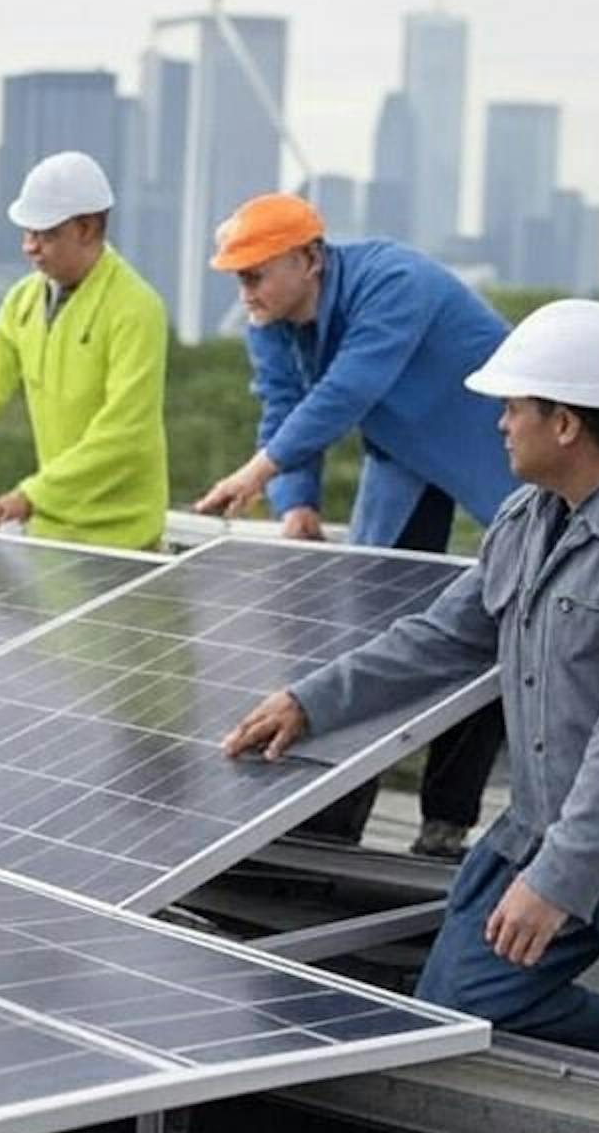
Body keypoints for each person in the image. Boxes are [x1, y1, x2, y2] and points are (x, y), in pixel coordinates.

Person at [223, 300, 599, 1070]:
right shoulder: (526, 519)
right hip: (537, 831)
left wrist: (560, 882)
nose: (501, 425)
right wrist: (311, 701)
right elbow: (439, 640)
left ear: (565, 423)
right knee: (464, 1005)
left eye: (513, 409)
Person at [195, 193, 514, 859]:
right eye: (238, 277)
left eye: (255, 274)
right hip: (401, 454)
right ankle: (332, 820)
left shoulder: (394, 282)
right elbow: (284, 404)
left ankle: (446, 825)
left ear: (309, 259)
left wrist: (256, 473)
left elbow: (347, 391)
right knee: (367, 623)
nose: (245, 290)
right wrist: (295, 500)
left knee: (501, 612)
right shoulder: (269, 321)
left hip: (492, 444)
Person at [0, 151, 168, 550]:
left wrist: (34, 495)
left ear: (87, 228)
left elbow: (125, 431)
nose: (30, 247)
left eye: (45, 234)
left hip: (124, 538)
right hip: (52, 528)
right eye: (27, 233)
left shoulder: (137, 308)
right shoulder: (22, 301)